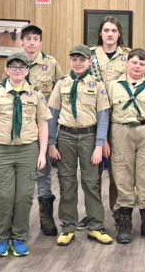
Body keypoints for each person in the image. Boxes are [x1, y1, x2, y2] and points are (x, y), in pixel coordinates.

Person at [0, 52, 51, 257]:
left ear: (27, 71)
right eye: (13, 66)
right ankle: (1, 239)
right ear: (7, 70)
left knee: (24, 197)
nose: (17, 70)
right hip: (1, 151)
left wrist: (42, 153)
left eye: (22, 67)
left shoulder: (35, 94)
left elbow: (43, 124)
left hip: (28, 150)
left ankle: (18, 238)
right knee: (3, 197)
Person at [47, 44, 114, 246]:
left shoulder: (97, 84)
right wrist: (51, 143)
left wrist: (99, 145)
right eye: (74, 59)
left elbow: (103, 116)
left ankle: (96, 227)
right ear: (70, 61)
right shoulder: (62, 84)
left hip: (88, 137)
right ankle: (68, 227)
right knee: (66, 183)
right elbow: (52, 114)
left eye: (82, 60)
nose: (78, 63)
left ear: (89, 62)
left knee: (91, 183)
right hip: (65, 137)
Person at [106, 48, 145, 244]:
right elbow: (104, 115)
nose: (137, 66)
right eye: (134, 62)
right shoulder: (113, 86)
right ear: (126, 63)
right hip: (120, 132)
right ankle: (124, 224)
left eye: (142, 63)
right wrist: (104, 141)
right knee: (122, 177)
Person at [8, 23, 63, 237]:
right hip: (17, 124)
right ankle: (15, 217)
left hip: (43, 123)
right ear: (22, 41)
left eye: (35, 39)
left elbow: (60, 94)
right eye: (28, 38)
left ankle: (46, 216)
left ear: (40, 42)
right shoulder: (14, 62)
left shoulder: (51, 64)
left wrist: (54, 132)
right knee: (17, 172)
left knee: (43, 170)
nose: (31, 43)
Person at [78, 16, 131, 231]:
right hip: (93, 117)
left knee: (118, 171)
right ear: (100, 33)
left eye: (114, 31)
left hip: (119, 118)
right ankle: (93, 214)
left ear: (119, 34)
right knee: (93, 172)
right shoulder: (89, 55)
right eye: (106, 30)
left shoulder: (128, 56)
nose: (110, 34)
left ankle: (118, 211)